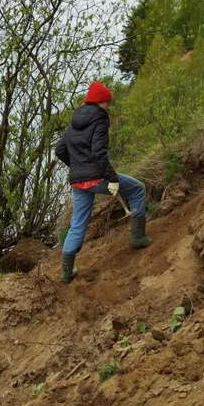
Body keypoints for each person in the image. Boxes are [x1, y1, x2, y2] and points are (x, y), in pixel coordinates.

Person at [55, 81, 152, 284]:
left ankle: (66, 273)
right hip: (97, 177)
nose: (109, 106)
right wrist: (112, 179)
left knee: (77, 224)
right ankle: (137, 238)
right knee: (137, 189)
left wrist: (78, 168)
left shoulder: (75, 120)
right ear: (100, 102)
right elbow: (99, 154)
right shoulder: (100, 119)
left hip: (78, 182)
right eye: (107, 103)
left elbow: (60, 151)